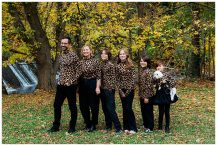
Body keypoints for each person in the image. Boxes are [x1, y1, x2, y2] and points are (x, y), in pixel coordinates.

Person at [47, 36, 81, 134]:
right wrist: (60, 80)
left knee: (72, 106)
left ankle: (72, 127)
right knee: (56, 105)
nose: (63, 45)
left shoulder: (74, 55)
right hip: (61, 84)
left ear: (69, 44)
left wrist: (72, 80)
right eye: (62, 43)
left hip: (71, 85)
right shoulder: (61, 55)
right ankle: (55, 126)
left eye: (65, 43)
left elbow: (79, 70)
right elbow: (62, 69)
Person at [79, 45, 101, 132]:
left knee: (94, 105)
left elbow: (99, 76)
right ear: (82, 52)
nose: (85, 51)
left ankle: (93, 124)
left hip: (93, 83)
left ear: (90, 51)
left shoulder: (96, 61)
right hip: (83, 84)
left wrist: (97, 87)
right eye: (84, 50)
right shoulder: (80, 62)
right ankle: (87, 123)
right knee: (83, 106)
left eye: (87, 50)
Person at [100, 49, 122, 134]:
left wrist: (110, 88)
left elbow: (114, 78)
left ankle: (118, 127)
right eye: (102, 54)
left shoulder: (111, 65)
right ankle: (108, 126)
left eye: (105, 54)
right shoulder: (102, 64)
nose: (103, 55)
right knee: (105, 108)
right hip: (102, 89)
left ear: (108, 55)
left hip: (109, 90)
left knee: (110, 108)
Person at [116, 48, 137, 134]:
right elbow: (117, 80)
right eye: (120, 54)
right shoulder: (117, 66)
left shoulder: (131, 65)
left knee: (128, 108)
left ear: (126, 55)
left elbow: (133, 80)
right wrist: (121, 91)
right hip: (121, 90)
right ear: (119, 56)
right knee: (124, 108)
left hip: (130, 90)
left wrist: (127, 92)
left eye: (123, 54)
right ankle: (126, 127)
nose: (122, 55)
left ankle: (133, 128)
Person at [154, 61, 176, 133]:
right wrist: (159, 82)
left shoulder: (167, 74)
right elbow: (154, 85)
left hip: (166, 94)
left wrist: (166, 81)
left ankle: (167, 126)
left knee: (167, 110)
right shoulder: (155, 75)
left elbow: (173, 83)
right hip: (159, 94)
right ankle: (160, 126)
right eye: (157, 66)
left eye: (160, 66)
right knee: (160, 110)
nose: (159, 67)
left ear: (163, 67)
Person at [138, 55, 155, 133]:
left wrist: (146, 97)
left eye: (144, 61)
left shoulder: (148, 72)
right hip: (141, 94)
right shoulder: (141, 70)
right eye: (141, 61)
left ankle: (150, 127)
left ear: (147, 62)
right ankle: (145, 125)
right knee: (143, 110)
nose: (142, 62)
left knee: (148, 111)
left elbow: (149, 85)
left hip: (147, 95)